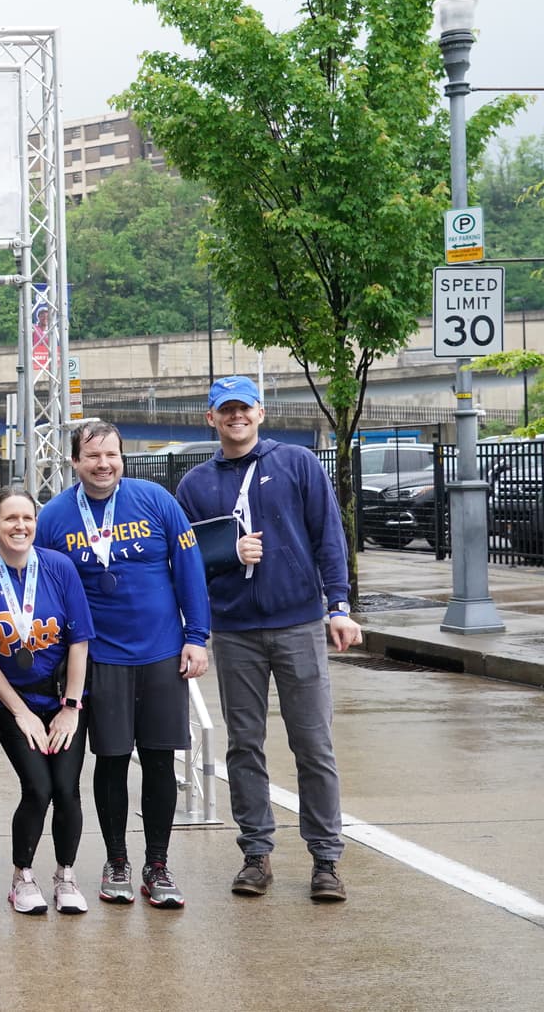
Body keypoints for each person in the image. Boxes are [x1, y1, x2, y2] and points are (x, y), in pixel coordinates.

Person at [175, 376, 360, 903]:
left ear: (260, 412)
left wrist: (338, 606)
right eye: (224, 410)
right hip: (235, 631)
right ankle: (256, 854)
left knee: (313, 743)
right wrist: (230, 556)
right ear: (210, 419)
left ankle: (326, 860)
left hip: (298, 623)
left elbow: (328, 535)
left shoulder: (297, 463)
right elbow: (189, 564)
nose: (235, 417)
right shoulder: (195, 484)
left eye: (243, 408)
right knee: (244, 746)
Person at [35, 420, 210, 910]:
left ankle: (157, 863)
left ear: (122, 457)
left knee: (159, 759)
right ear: (74, 461)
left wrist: (196, 636)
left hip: (160, 652)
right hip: (100, 658)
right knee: (110, 760)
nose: (103, 464)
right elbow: (45, 590)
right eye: (92, 456)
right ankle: (117, 860)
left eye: (111, 454)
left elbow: (189, 569)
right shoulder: (53, 517)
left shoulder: (156, 500)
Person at [0, 487, 94, 915]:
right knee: (38, 788)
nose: (20, 526)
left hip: (63, 702)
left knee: (67, 790)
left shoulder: (58, 568)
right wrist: (20, 713)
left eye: (27, 518)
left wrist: (71, 708)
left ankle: (65, 876)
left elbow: (78, 642)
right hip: (13, 705)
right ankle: (23, 877)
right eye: (10, 519)